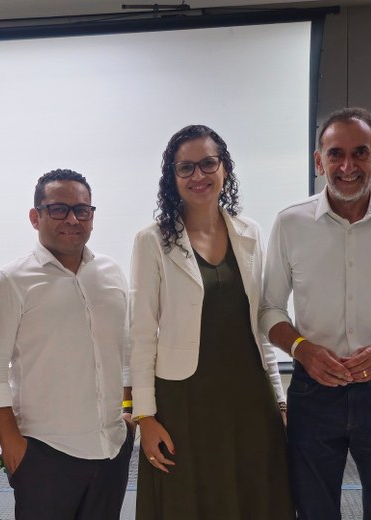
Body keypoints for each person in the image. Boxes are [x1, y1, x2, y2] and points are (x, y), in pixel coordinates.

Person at [261, 107, 371, 520]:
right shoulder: (290, 223)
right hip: (313, 392)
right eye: (335, 153)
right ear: (318, 161)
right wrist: (301, 349)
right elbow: (269, 309)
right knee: (314, 510)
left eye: (360, 153)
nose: (347, 166)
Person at [130, 125, 294, 519]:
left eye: (208, 164)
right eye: (185, 167)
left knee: (256, 496)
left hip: (249, 394)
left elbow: (258, 323)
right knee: (190, 501)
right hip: (184, 398)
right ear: (172, 177)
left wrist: (279, 399)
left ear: (225, 168)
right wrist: (145, 417)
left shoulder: (249, 232)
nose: (198, 176)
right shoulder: (152, 241)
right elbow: (141, 334)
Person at [0, 169, 133, 519]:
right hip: (44, 457)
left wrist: (128, 416)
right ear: (36, 217)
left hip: (112, 451)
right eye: (59, 209)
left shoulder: (111, 274)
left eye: (82, 210)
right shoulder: (8, 283)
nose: (72, 219)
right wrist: (14, 448)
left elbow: (126, 353)